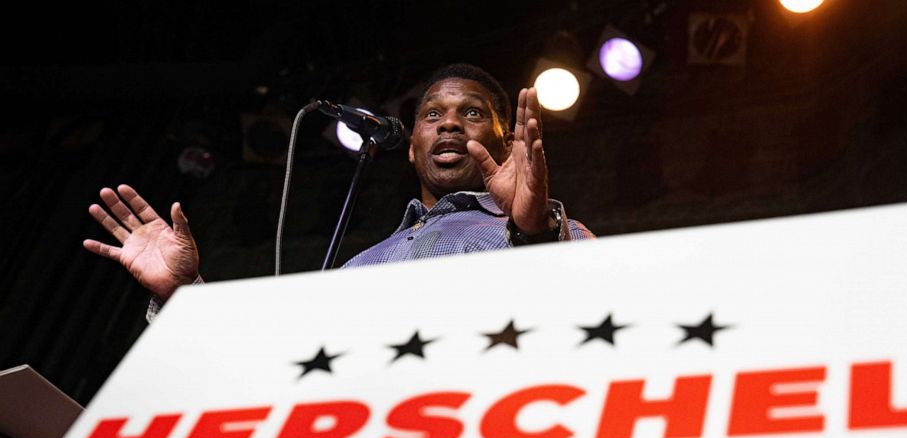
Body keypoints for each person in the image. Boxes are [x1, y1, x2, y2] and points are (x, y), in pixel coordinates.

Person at [83, 64, 593, 306]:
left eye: (473, 113)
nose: (450, 124)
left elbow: (594, 312)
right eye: (432, 113)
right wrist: (182, 293)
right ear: (412, 144)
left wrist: (532, 230)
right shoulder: (360, 263)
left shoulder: (554, 229)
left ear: (506, 144)